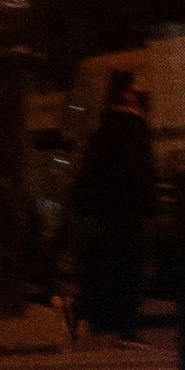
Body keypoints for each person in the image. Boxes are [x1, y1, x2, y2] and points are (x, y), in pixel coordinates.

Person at [60, 62, 161, 342]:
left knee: (110, 268)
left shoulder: (104, 126)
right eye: (139, 88)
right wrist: (151, 205)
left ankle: (87, 311)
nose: (145, 93)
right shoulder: (133, 126)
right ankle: (127, 327)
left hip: (105, 214)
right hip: (127, 213)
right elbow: (139, 172)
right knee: (132, 270)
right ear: (126, 94)